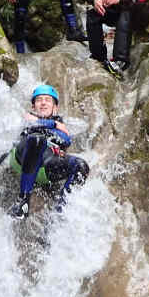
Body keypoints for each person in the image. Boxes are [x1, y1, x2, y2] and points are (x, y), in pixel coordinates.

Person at [7, 84, 90, 218]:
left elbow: (65, 140)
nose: (43, 103)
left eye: (48, 100)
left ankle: (60, 212)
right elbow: (29, 123)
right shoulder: (26, 117)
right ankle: (23, 201)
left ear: (55, 107)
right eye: (39, 100)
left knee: (81, 165)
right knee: (37, 139)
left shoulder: (59, 124)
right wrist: (53, 125)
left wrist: (50, 125)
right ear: (33, 106)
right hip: (22, 160)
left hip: (45, 167)